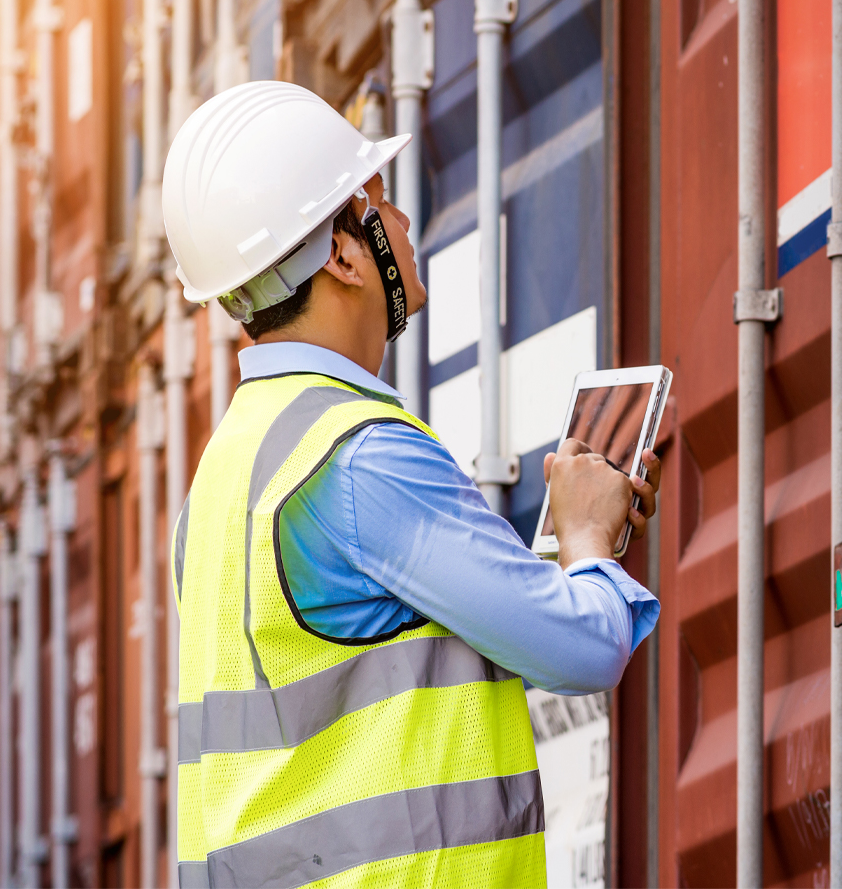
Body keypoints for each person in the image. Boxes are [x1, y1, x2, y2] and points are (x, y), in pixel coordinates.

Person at [161, 81, 658, 887]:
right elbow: (585, 646)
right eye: (380, 204)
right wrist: (591, 538)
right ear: (343, 255)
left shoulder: (220, 482)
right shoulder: (361, 458)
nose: (401, 225)